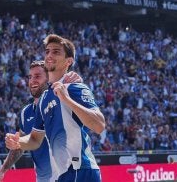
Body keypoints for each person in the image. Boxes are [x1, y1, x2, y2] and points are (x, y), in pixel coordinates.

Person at [6, 34, 105, 182]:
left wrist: (67, 99)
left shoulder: (75, 87)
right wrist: (18, 141)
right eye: (47, 51)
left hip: (82, 171)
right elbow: (34, 139)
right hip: (63, 175)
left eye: (56, 52)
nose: (49, 55)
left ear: (68, 61)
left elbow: (99, 125)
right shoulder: (44, 99)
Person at [0, 60, 82, 182]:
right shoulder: (26, 112)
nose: (32, 80)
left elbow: (78, 104)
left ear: (49, 78)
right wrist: (2, 171)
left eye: (37, 76)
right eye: (30, 77)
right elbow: (20, 147)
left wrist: (75, 82)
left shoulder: (60, 101)